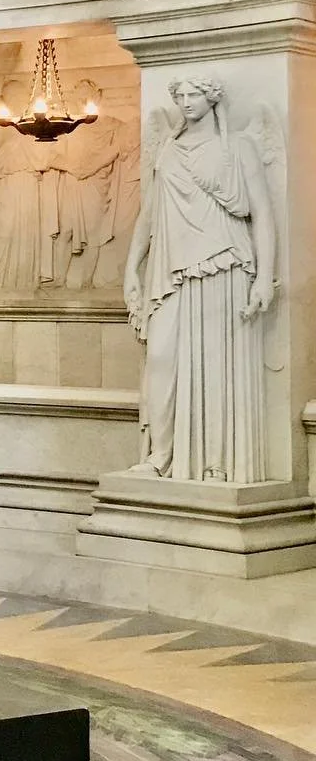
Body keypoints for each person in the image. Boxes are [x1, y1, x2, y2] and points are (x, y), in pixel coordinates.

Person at [124, 77, 275, 483]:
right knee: (160, 358)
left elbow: (262, 213)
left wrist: (264, 277)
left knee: (214, 363)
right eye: (180, 96)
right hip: (170, 269)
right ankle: (161, 455)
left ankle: (215, 461)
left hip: (223, 262)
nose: (186, 103)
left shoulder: (237, 147)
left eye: (194, 95)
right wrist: (132, 267)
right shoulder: (168, 149)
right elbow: (149, 213)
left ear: (211, 99)